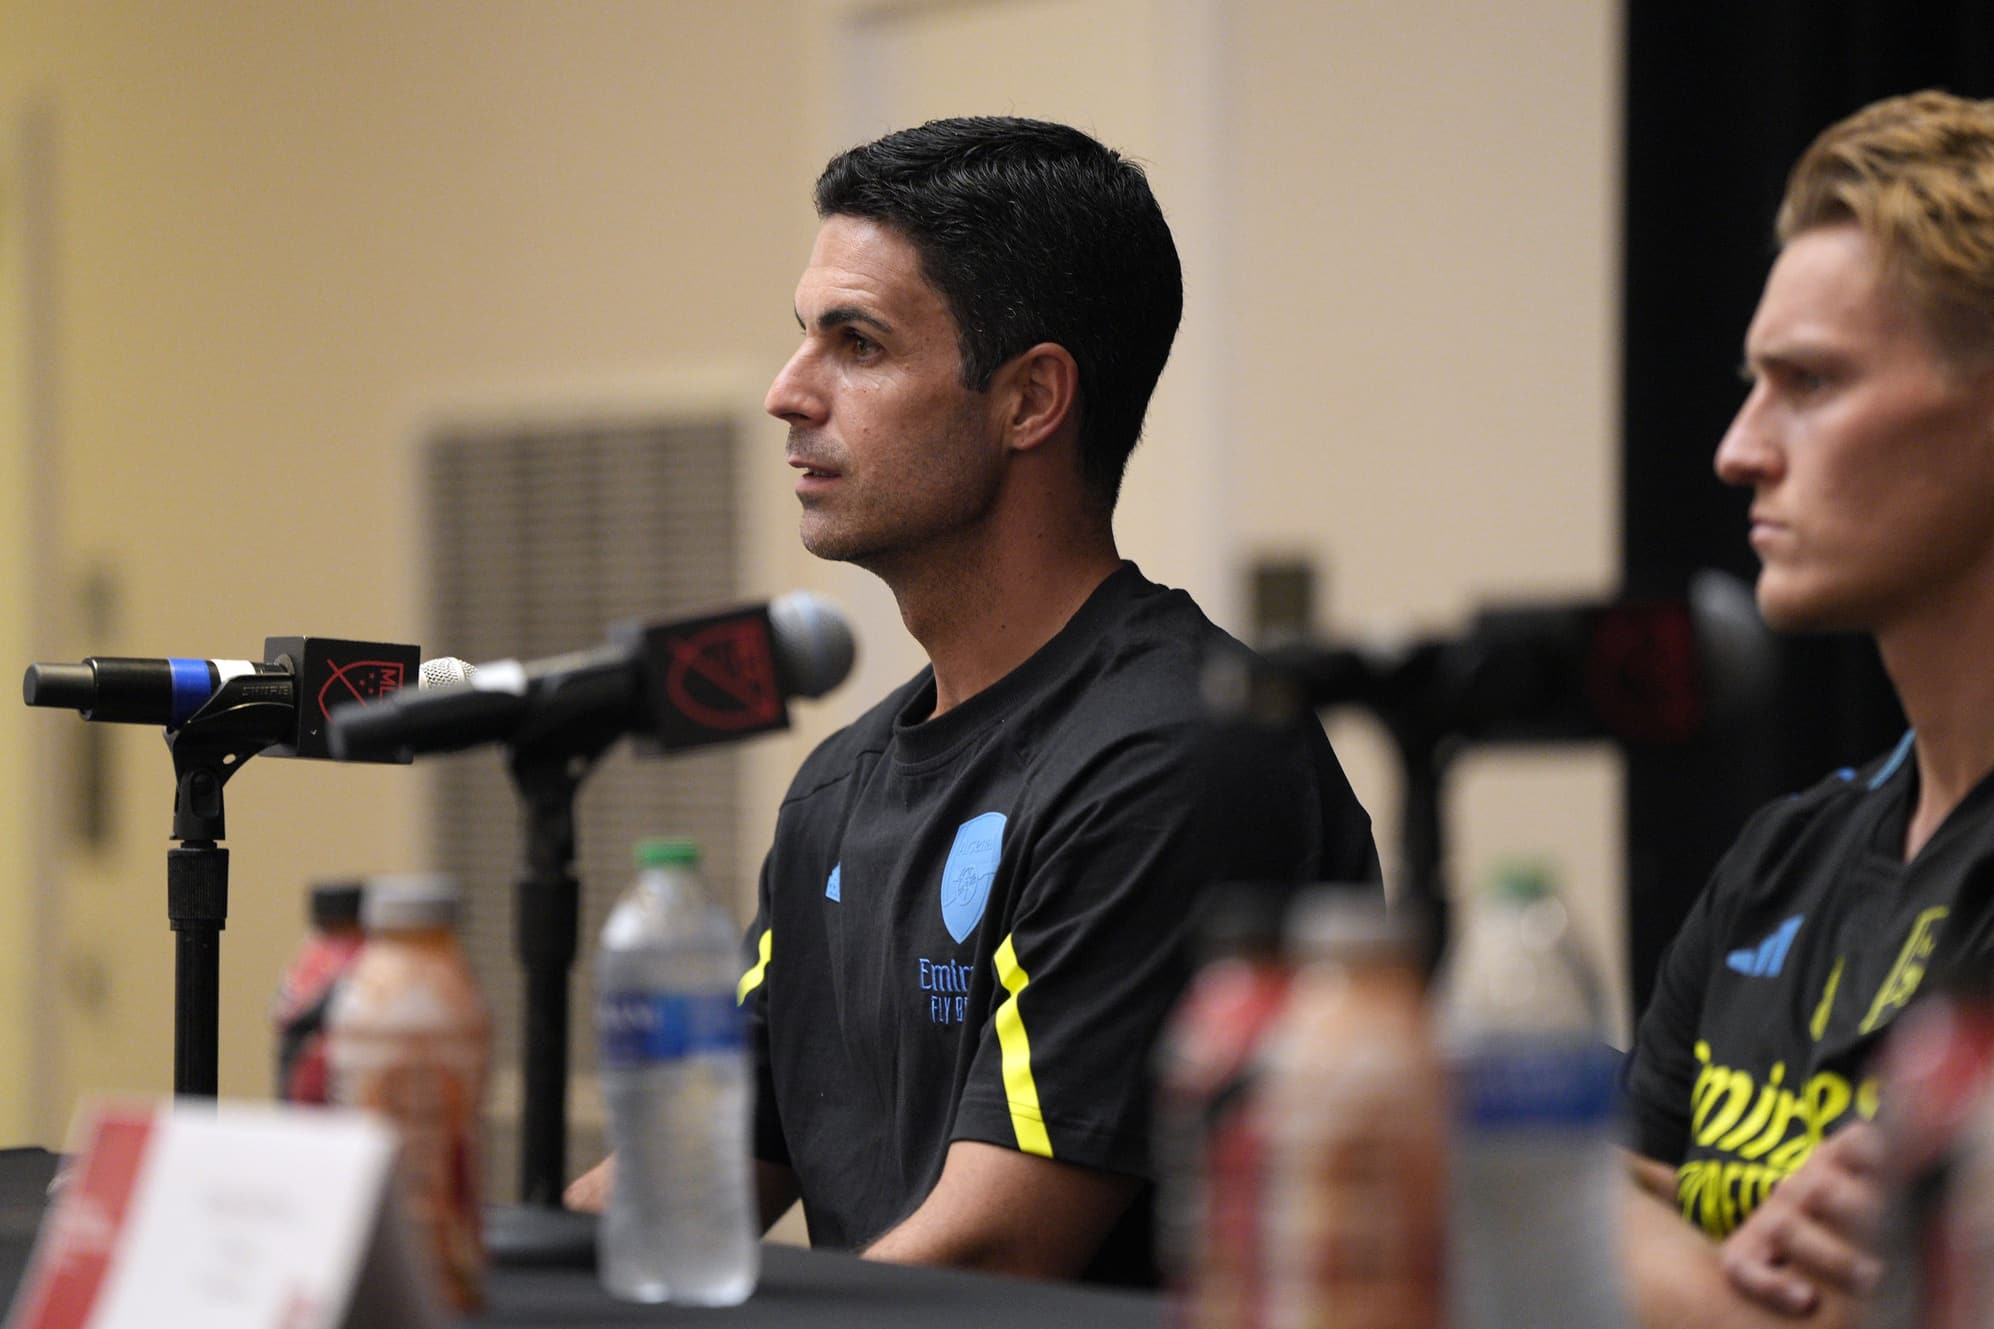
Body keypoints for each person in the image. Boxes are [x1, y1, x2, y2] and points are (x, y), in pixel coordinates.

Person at [568, 116, 1378, 1283]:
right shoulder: (838, 785)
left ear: (1028, 400)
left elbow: (994, 1252)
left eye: (855, 344)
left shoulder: (1179, 752)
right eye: (803, 338)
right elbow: (696, 1171)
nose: (786, 394)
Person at [1620, 89, 1994, 1328]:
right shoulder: (1780, 859)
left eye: (1809, 383)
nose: (1735, 448)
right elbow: (1593, 1206)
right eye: (1750, 384)